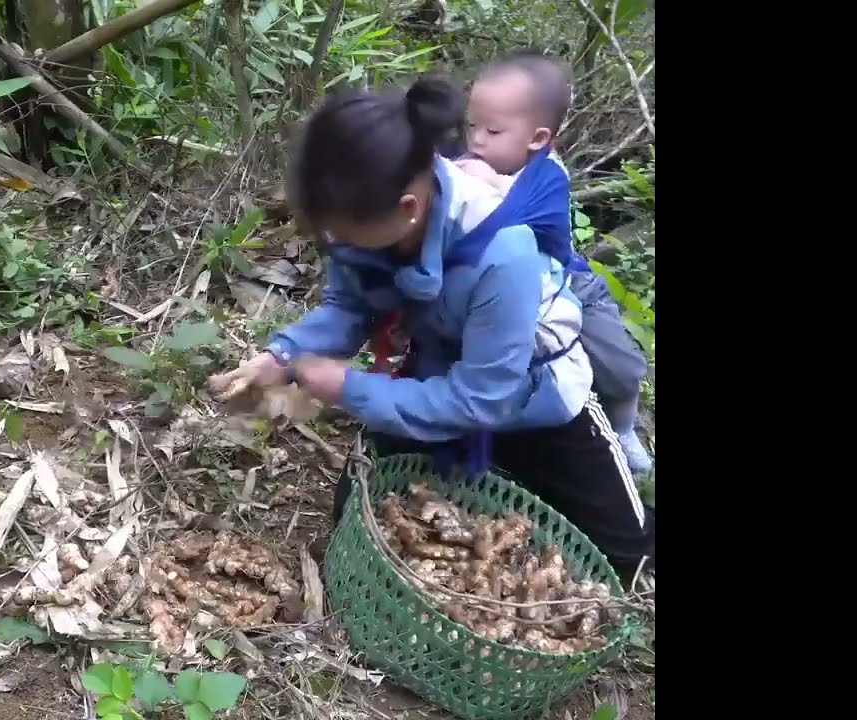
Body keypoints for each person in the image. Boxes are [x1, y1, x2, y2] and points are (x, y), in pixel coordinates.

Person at [209, 75, 654, 579]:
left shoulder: (501, 252)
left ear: (408, 210)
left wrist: (348, 386)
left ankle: (529, 475)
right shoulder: (362, 220)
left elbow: (482, 398)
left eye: (346, 234)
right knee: (359, 511)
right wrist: (282, 356)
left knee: (630, 559)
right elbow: (352, 306)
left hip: (536, 398)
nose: (335, 242)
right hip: (440, 368)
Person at [443, 50, 653, 476]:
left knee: (619, 366)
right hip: (509, 289)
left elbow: (502, 228)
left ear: (537, 138)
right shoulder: (473, 159)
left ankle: (624, 427)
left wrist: (483, 184)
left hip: (569, 284)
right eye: (472, 126)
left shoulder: (547, 176)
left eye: (493, 131)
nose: (477, 141)